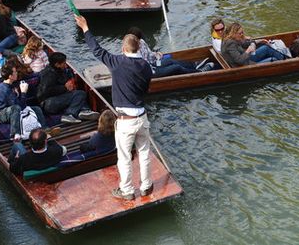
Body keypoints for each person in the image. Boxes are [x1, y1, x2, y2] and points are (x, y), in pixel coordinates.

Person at [75, 14, 153, 200]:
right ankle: (146, 186)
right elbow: (146, 89)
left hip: (126, 121)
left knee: (125, 157)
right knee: (144, 153)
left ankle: (127, 191)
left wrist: (85, 28)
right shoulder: (146, 66)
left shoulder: (117, 63)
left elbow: (97, 50)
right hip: (142, 117)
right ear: (138, 47)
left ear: (123, 48)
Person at [36, 52, 99, 124]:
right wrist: (64, 88)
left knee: (76, 93)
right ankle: (70, 114)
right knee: (80, 94)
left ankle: (83, 110)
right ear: (57, 64)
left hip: (55, 99)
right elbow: (46, 91)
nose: (66, 65)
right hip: (49, 103)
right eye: (64, 63)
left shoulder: (59, 71)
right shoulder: (48, 74)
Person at [0, 63, 48, 140]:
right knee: (15, 108)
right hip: (1, 114)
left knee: (36, 109)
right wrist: (23, 93)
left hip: (14, 109)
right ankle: (15, 135)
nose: (17, 73)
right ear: (10, 76)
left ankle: (45, 130)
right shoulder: (4, 89)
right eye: (15, 72)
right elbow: (20, 107)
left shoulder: (11, 85)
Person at [127, 27, 209, 77]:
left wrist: (156, 54)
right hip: (152, 73)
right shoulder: (131, 51)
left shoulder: (141, 42)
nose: (140, 41)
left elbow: (150, 54)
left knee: (171, 60)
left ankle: (194, 65)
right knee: (176, 68)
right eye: (137, 40)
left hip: (154, 64)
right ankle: (199, 72)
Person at [221, 23, 286, 67]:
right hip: (244, 65)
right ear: (233, 33)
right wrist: (248, 51)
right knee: (273, 58)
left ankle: (284, 58)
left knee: (264, 46)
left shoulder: (233, 39)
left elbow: (244, 44)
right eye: (240, 33)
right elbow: (239, 61)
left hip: (246, 59)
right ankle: (287, 60)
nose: (242, 35)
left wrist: (258, 41)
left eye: (242, 32)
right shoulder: (230, 43)